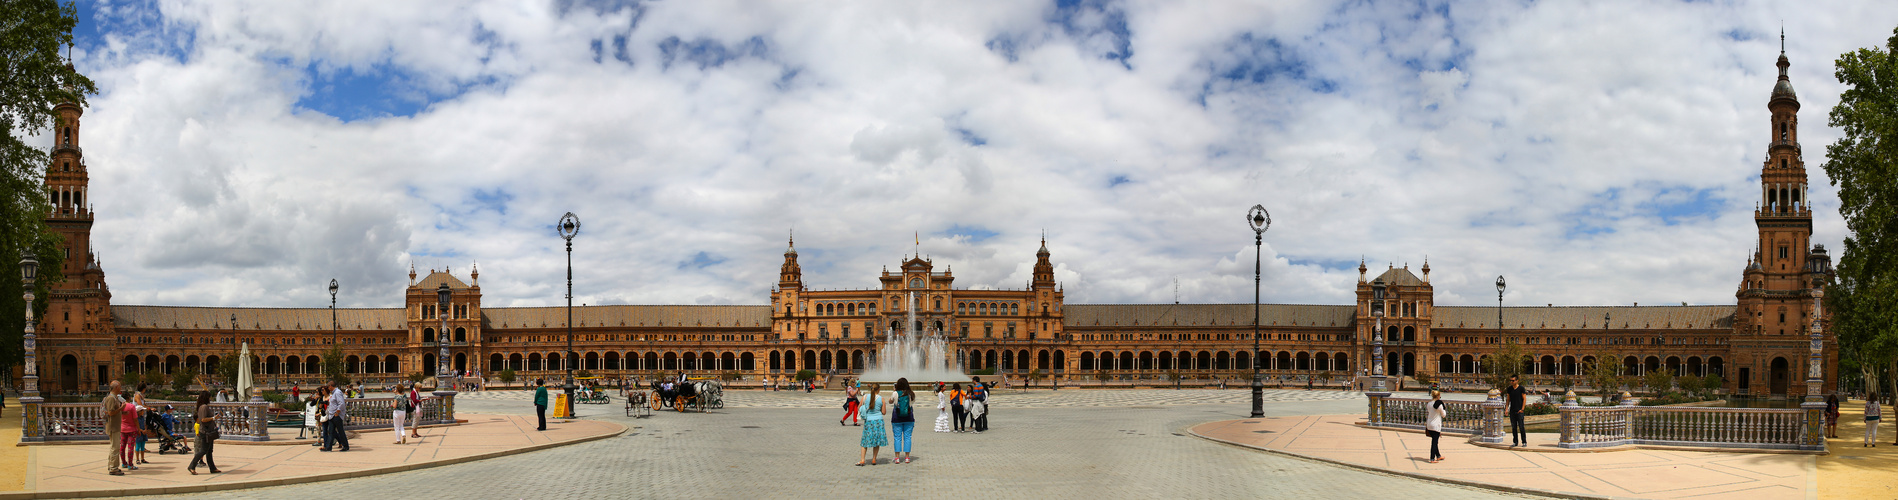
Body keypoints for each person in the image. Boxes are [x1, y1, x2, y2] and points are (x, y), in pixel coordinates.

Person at [187, 391, 220, 474]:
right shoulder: (204, 407)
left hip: (209, 431)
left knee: (209, 451)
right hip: (206, 432)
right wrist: (213, 418)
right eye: (209, 397)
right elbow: (203, 419)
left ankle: (212, 468)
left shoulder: (202, 407)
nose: (210, 399)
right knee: (204, 450)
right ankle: (192, 466)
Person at [856, 383, 888, 466]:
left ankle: (862, 460)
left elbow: (859, 407)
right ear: (879, 390)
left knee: (865, 441)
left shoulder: (865, 397)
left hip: (868, 421)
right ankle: (874, 459)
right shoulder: (881, 399)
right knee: (876, 441)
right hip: (878, 421)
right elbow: (884, 412)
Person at [102, 381, 126, 475]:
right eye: (120, 386)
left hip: (115, 426)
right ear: (116, 388)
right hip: (113, 426)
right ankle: (113, 468)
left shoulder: (114, 398)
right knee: (115, 447)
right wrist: (121, 408)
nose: (121, 388)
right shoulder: (111, 398)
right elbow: (111, 413)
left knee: (114, 447)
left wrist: (122, 412)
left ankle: (111, 465)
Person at [890, 378, 916, 464]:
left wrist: (894, 392)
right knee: (907, 437)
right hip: (909, 418)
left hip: (897, 418)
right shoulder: (911, 394)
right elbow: (912, 403)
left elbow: (890, 401)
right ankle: (907, 457)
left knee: (897, 437)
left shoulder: (895, 393)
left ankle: (897, 458)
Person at [320, 382, 349, 452]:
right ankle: (328, 447)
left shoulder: (337, 392)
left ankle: (345, 446)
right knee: (331, 431)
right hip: (332, 415)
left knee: (340, 431)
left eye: (328, 387)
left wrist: (337, 412)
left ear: (330, 386)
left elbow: (341, 403)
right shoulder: (334, 393)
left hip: (336, 416)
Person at [1503, 376, 1528, 447]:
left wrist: (1522, 409)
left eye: (1513, 380)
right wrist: (1506, 409)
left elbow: (1524, 399)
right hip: (1512, 410)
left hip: (1519, 410)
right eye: (1510, 380)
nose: (1511, 382)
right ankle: (1515, 442)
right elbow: (1508, 400)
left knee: (1521, 427)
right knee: (1514, 427)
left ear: (1517, 381)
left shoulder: (1521, 388)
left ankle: (1524, 441)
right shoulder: (1510, 389)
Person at [117, 391, 138, 471]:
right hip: (131, 429)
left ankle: (124, 463)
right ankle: (130, 464)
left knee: (122, 446)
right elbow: (135, 419)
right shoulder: (131, 406)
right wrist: (138, 428)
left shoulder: (121, 406)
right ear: (129, 397)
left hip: (123, 429)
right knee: (130, 447)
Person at [1425, 390, 1447, 463]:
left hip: (1429, 424)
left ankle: (1438, 456)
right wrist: (1444, 408)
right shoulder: (1439, 405)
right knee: (1434, 442)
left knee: (1435, 440)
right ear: (1438, 396)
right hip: (1435, 425)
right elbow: (1443, 415)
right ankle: (1432, 458)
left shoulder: (1429, 403)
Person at [132, 383, 150, 466]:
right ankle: (138, 459)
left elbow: (144, 404)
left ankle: (142, 458)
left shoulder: (141, 396)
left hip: (141, 417)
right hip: (136, 414)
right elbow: (140, 405)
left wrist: (148, 408)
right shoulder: (137, 396)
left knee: (142, 445)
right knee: (138, 445)